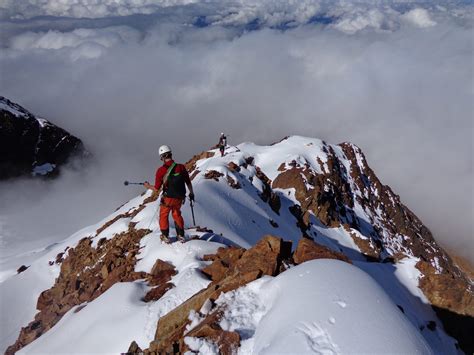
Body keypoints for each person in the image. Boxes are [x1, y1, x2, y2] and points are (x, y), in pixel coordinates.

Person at [144, 145, 194, 243]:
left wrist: (147, 186)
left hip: (168, 198)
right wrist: (191, 193)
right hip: (179, 197)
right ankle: (180, 235)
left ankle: (165, 236)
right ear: (171, 154)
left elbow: (156, 188)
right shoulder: (181, 167)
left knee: (163, 215)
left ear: (162, 157)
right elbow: (188, 182)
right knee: (176, 214)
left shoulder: (161, 171)